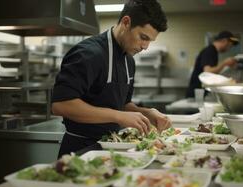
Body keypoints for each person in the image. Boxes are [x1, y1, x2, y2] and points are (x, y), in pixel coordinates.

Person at [51, 0, 171, 158]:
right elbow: (61, 105)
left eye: (149, 41)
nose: (145, 46)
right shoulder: (88, 54)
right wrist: (118, 116)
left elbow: (122, 105)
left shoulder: (129, 60)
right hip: (80, 150)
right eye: (143, 37)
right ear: (126, 22)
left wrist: (147, 113)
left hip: (112, 147)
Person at [186, 31, 239, 98]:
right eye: (229, 45)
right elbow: (208, 71)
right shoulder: (210, 51)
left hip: (200, 93)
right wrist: (224, 63)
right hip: (196, 95)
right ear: (224, 41)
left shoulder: (213, 51)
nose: (229, 48)